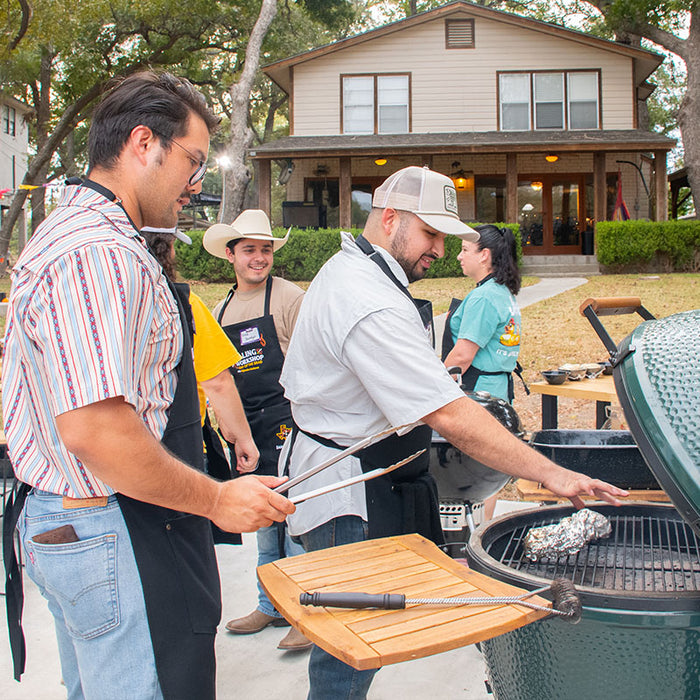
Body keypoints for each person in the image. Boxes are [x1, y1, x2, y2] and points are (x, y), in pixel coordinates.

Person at [278, 165, 628, 699]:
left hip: (378, 470)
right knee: (350, 646)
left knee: (367, 633)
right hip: (345, 488)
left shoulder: (367, 273)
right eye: (431, 234)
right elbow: (448, 414)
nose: (439, 249)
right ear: (389, 218)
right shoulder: (364, 296)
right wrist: (550, 473)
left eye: (445, 236)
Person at [2, 71, 294, 700]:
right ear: (143, 143)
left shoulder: (76, 232)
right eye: (192, 161)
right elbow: (98, 431)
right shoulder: (97, 252)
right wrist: (217, 501)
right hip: (107, 522)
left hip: (82, 522)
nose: (195, 184)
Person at [203, 209, 311, 651]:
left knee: (298, 523)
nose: (260, 258)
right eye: (249, 250)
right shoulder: (220, 309)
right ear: (230, 255)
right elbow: (217, 380)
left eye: (265, 250)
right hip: (247, 432)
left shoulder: (288, 298)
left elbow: (311, 363)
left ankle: (307, 613)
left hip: (292, 425)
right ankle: (269, 605)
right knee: (264, 524)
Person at [442, 223, 523, 519]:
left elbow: (462, 355)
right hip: (499, 388)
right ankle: (482, 532)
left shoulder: (484, 298)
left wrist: (434, 384)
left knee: (476, 473)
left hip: (479, 393)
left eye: (465, 250)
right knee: (491, 470)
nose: (459, 257)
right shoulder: (502, 292)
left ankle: (472, 539)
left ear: (484, 255)